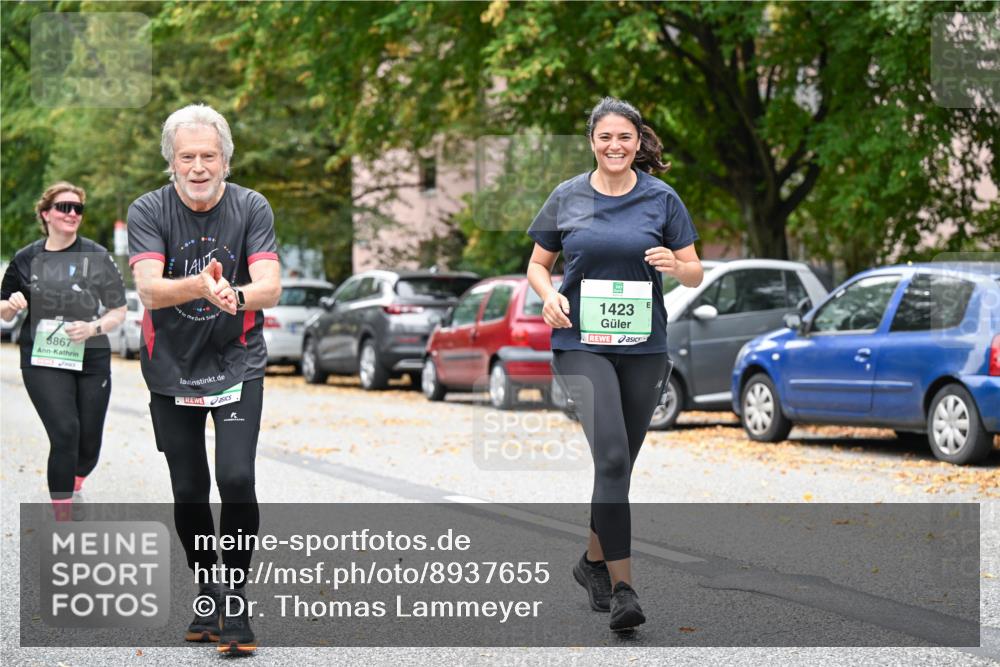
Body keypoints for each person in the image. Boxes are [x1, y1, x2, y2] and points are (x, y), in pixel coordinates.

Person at [526, 97, 703, 631]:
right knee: (609, 456)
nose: (615, 146)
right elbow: (538, 265)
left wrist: (676, 265)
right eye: (605, 137)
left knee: (619, 466)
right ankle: (625, 588)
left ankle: (591, 562)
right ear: (592, 141)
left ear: (636, 140)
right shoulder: (567, 197)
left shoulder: (662, 199)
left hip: (644, 348)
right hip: (581, 343)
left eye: (624, 137)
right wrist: (547, 296)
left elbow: (695, 271)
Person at [127, 104, 280, 654]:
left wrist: (234, 295)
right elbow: (148, 289)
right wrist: (201, 286)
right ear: (171, 160)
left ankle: (236, 602)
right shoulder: (149, 209)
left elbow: (269, 286)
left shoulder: (250, 207)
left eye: (208, 156)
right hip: (170, 366)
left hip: (239, 360)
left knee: (236, 478)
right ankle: (207, 588)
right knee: (190, 489)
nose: (198, 166)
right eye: (186, 156)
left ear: (225, 160)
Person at [1, 181, 127, 521]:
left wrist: (93, 328)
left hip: (91, 356)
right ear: (46, 214)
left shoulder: (97, 256)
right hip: (43, 358)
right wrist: (10, 306)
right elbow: (3, 306)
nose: (72, 213)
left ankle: (75, 480)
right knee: (65, 431)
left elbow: (118, 310)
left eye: (77, 208)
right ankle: (62, 515)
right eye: (64, 207)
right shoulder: (27, 258)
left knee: (89, 445)